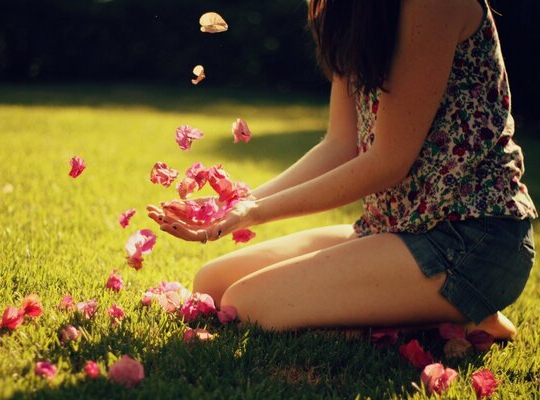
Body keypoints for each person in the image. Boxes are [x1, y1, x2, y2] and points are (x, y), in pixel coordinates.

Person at [148, 0, 537, 339]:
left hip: (471, 237)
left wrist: (255, 212)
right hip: (393, 227)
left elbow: (388, 163)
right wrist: (237, 204)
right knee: (212, 283)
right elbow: (341, 145)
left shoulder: (430, 3)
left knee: (247, 304)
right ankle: (445, 314)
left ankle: (455, 313)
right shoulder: (343, 7)